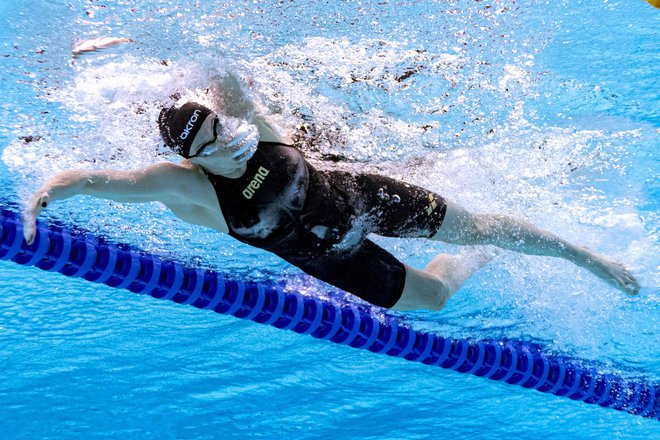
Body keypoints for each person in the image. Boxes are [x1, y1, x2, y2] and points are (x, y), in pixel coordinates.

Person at [22, 74, 640, 310]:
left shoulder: (256, 128)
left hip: (360, 197)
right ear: (191, 158)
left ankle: (588, 259)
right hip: (329, 257)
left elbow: (222, 70)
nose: (223, 140)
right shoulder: (187, 190)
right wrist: (48, 192)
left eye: (219, 124)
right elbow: (100, 181)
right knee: (432, 298)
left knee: (476, 221)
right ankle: (481, 258)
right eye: (207, 141)